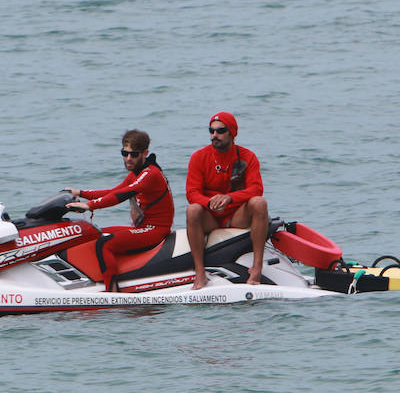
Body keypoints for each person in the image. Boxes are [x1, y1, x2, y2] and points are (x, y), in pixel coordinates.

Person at [65, 129, 174, 292]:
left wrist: (90, 206)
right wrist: (79, 193)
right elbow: (114, 191)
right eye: (125, 153)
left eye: (134, 154)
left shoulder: (150, 174)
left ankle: (112, 291)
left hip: (155, 230)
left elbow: (122, 195)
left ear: (145, 153)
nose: (128, 159)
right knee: (94, 233)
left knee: (104, 244)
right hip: (143, 228)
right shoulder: (136, 173)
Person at [185, 111, 268, 288]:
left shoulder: (248, 156)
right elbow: (191, 192)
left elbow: (256, 188)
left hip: (236, 214)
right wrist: (209, 203)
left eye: (220, 131)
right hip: (211, 216)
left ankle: (257, 267)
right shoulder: (198, 157)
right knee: (192, 210)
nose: (214, 135)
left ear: (232, 133)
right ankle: (199, 272)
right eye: (211, 131)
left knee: (259, 203)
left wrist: (229, 198)